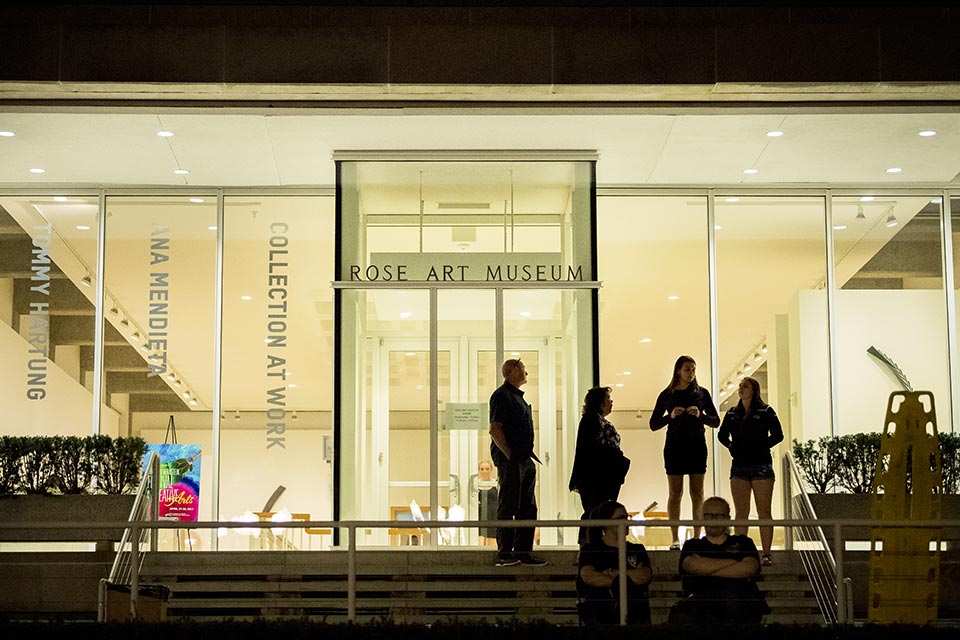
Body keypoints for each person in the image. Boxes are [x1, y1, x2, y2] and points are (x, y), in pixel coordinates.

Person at [649, 355, 720, 549]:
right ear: (678, 371)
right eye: (687, 369)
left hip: (696, 446)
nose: (691, 373)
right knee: (675, 493)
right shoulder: (667, 394)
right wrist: (670, 416)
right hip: (675, 446)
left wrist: (701, 415)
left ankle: (697, 536)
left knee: (697, 493)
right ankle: (675, 538)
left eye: (693, 370)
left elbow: (716, 421)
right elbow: (653, 424)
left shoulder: (702, 393)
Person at [668, 496, 768, 626]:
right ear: (702, 518)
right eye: (709, 515)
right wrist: (733, 562)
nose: (714, 520)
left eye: (719, 516)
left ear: (727, 519)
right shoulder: (692, 545)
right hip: (701, 602)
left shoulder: (743, 542)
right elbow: (694, 567)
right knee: (679, 615)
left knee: (732, 601)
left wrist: (707, 567)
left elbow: (750, 569)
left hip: (738, 601)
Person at [718, 376, 784, 566]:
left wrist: (762, 446)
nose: (741, 389)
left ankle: (766, 552)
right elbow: (722, 435)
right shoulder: (732, 413)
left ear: (754, 390)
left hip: (761, 465)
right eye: (739, 386)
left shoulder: (766, 411)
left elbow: (778, 434)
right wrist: (732, 446)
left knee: (764, 511)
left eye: (744, 386)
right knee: (741, 512)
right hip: (739, 465)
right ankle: (741, 550)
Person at [489, 358, 547, 567]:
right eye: (523, 369)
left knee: (528, 507)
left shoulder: (516, 398)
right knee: (509, 504)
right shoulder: (502, 396)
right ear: (513, 371)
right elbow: (495, 428)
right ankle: (504, 553)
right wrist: (510, 456)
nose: (526, 373)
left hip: (524, 458)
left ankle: (523, 552)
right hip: (513, 460)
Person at [569, 386, 630, 542]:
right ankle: (585, 546)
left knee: (599, 512)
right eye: (608, 399)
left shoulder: (599, 421)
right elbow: (591, 450)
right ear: (600, 402)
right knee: (593, 511)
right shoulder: (590, 420)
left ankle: (594, 545)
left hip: (606, 477)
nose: (611, 402)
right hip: (594, 478)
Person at [576, 500, 652, 625]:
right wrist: (626, 578)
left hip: (634, 613)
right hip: (601, 613)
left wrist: (613, 574)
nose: (626, 522)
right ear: (607, 523)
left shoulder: (637, 549)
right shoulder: (591, 550)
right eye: (621, 518)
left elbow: (644, 576)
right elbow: (589, 577)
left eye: (628, 517)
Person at [477, 459, 499, 547]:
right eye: (482, 469)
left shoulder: (495, 483)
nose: (484, 471)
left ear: (491, 470)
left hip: (493, 514)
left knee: (492, 540)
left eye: (487, 469)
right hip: (480, 514)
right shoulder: (476, 484)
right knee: (480, 539)